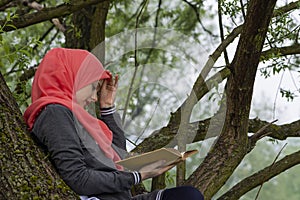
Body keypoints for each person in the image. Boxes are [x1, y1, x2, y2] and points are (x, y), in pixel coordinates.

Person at [24, 47, 204, 200]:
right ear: (73, 78)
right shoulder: (55, 113)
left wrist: (107, 107)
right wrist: (140, 175)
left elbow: (117, 156)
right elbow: (78, 179)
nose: (94, 97)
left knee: (189, 195)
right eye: (94, 87)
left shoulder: (79, 118)